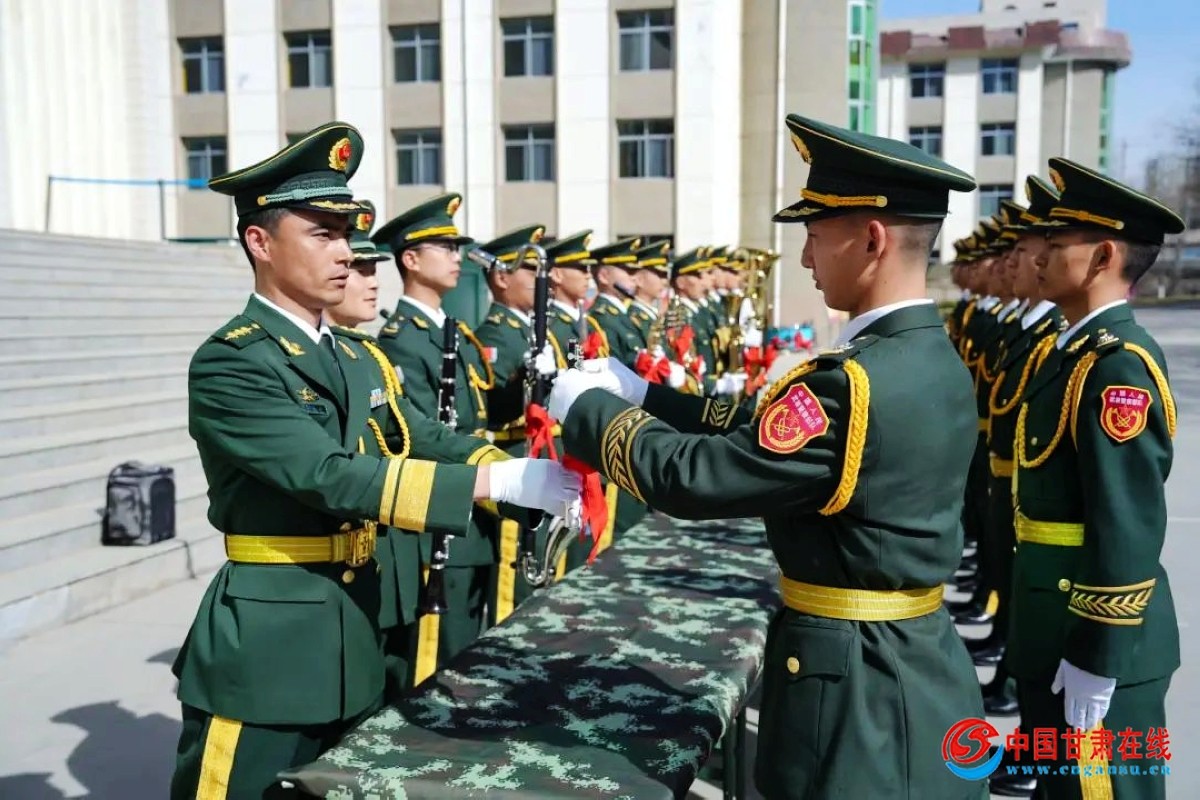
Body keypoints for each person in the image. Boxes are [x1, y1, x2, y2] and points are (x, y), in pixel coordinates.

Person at [547, 114, 986, 799]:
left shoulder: (853, 382)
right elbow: (764, 432)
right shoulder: (926, 359)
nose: (807, 260)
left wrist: (586, 410)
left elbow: (697, 478)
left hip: (855, 688)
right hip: (913, 658)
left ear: (872, 239)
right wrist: (646, 395)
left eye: (815, 237)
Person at [169, 124, 580, 799]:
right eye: (322, 234)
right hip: (271, 646)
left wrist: (521, 475)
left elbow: (424, 436)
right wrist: (494, 479)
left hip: (355, 629)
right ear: (260, 242)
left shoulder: (357, 356)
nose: (344, 252)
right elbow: (328, 476)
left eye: (345, 233)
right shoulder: (235, 360)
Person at [1006, 157, 1182, 799]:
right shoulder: (1073, 353)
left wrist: (1098, 654)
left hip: (1092, 639)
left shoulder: (1116, 367)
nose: (1039, 255)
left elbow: (1127, 522)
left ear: (1104, 255)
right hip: (1052, 626)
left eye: (1057, 244)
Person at [371, 194, 553, 669]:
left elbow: (485, 413)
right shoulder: (402, 340)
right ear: (411, 260)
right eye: (445, 248)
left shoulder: (455, 333)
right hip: (444, 514)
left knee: (474, 643)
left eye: (457, 248)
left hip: (477, 512)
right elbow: (422, 436)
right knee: (439, 658)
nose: (457, 257)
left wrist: (530, 380)